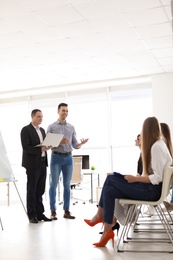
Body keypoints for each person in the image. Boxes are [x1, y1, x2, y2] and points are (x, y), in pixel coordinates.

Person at [84, 116, 172, 247]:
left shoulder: (157, 147)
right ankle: (107, 230)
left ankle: (100, 216)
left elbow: (157, 177)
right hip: (150, 189)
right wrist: (134, 179)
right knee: (109, 190)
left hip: (152, 192)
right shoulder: (158, 145)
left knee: (110, 178)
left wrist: (135, 179)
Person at [47, 103, 88, 220]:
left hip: (68, 158)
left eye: (67, 111)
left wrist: (80, 144)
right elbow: (47, 144)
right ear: (58, 111)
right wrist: (59, 142)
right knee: (53, 184)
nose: (65, 113)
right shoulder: (51, 127)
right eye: (63, 110)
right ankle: (53, 211)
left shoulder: (71, 127)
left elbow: (74, 144)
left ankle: (66, 211)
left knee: (67, 185)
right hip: (56, 157)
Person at [20, 109, 52, 223]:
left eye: (42, 117)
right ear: (32, 117)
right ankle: (32, 214)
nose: (41, 119)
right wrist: (40, 149)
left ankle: (40, 213)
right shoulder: (26, 130)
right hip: (32, 164)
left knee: (40, 189)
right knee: (32, 189)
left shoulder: (42, 130)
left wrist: (47, 147)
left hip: (43, 162)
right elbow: (26, 147)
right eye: (38, 116)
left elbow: (43, 146)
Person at [160, 123, 173, 211]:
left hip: (164, 182)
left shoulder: (160, 146)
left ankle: (172, 204)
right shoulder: (169, 147)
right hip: (167, 182)